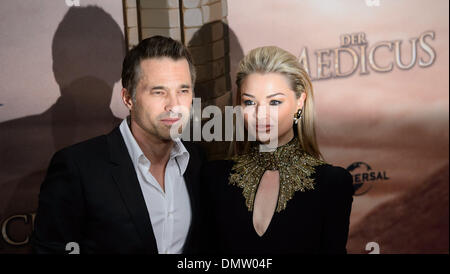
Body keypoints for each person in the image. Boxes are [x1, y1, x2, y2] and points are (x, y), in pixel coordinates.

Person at [31, 36, 204, 254]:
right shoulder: (77, 168)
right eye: (158, 91)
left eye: (183, 90)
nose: (174, 105)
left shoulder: (197, 160)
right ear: (128, 98)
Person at [201, 46, 354, 254]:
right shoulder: (214, 178)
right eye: (249, 102)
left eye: (274, 102)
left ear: (300, 102)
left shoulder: (332, 184)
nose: (260, 114)